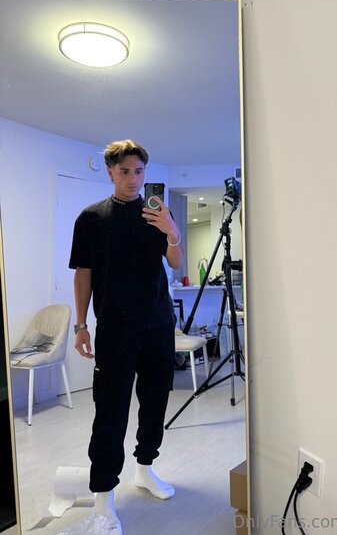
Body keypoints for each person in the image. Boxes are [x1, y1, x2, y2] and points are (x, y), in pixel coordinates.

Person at [69, 139, 183, 534]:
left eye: (139, 171)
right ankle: (103, 497)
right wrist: (80, 325)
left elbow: (175, 262)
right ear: (110, 172)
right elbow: (83, 273)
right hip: (115, 326)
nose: (133, 179)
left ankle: (145, 468)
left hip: (158, 323)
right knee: (111, 409)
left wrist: (171, 230)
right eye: (124, 171)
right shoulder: (91, 218)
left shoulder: (158, 213)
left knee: (155, 401)